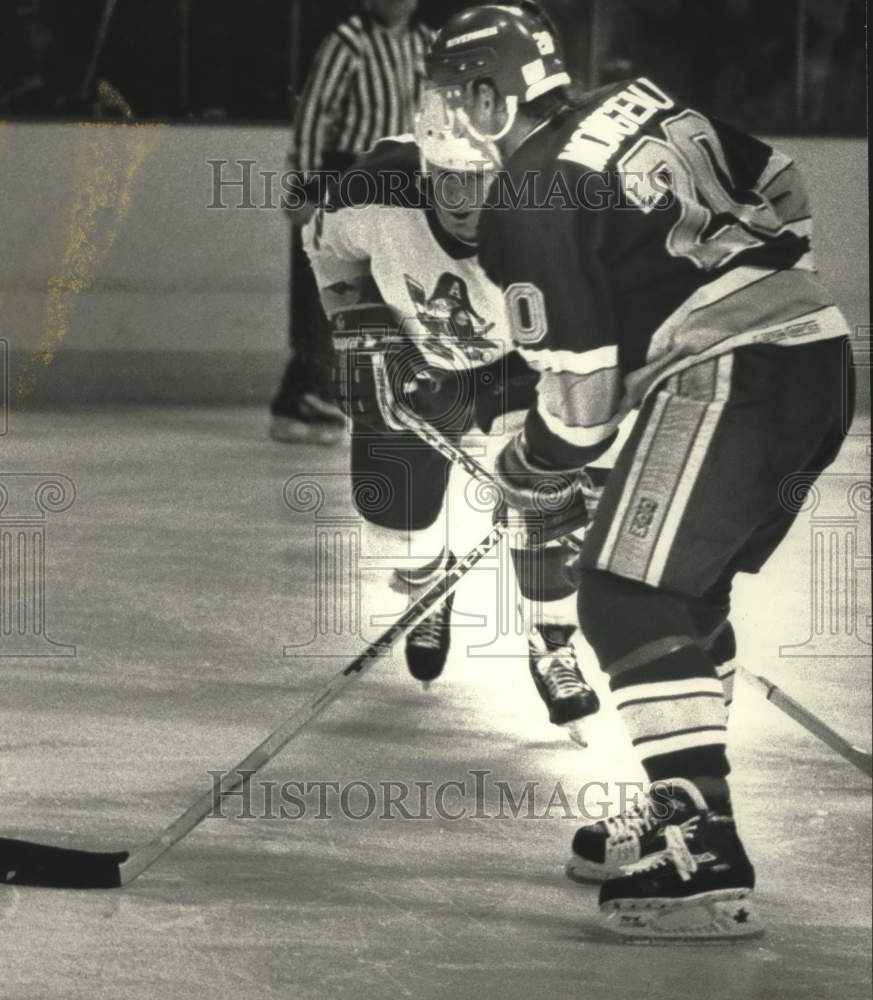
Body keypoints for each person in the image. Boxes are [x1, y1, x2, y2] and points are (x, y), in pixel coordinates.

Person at [422, 2, 855, 940]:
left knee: (621, 593)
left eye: (447, 100)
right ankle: (680, 807)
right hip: (817, 356)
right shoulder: (642, 100)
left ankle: (703, 853)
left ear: (486, 95)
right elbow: (780, 178)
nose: (442, 123)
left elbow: (576, 399)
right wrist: (764, 289)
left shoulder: (525, 193)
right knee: (683, 594)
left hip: (730, 380)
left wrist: (529, 464)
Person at [302, 117, 601, 737]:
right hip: (417, 359)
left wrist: (588, 446)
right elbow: (326, 247)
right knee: (392, 517)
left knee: (542, 491)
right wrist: (356, 320)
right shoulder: (376, 190)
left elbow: (600, 323)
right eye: (447, 179)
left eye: (479, 179)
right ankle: (429, 583)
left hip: (521, 362)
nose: (463, 201)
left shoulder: (553, 204)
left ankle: (552, 643)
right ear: (423, 167)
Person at [271, 0, 435, 446]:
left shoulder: (427, 44)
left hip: (403, 178)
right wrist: (304, 188)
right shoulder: (351, 41)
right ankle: (307, 395)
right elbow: (314, 114)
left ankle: (333, 393)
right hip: (345, 176)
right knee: (329, 288)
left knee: (390, 285)